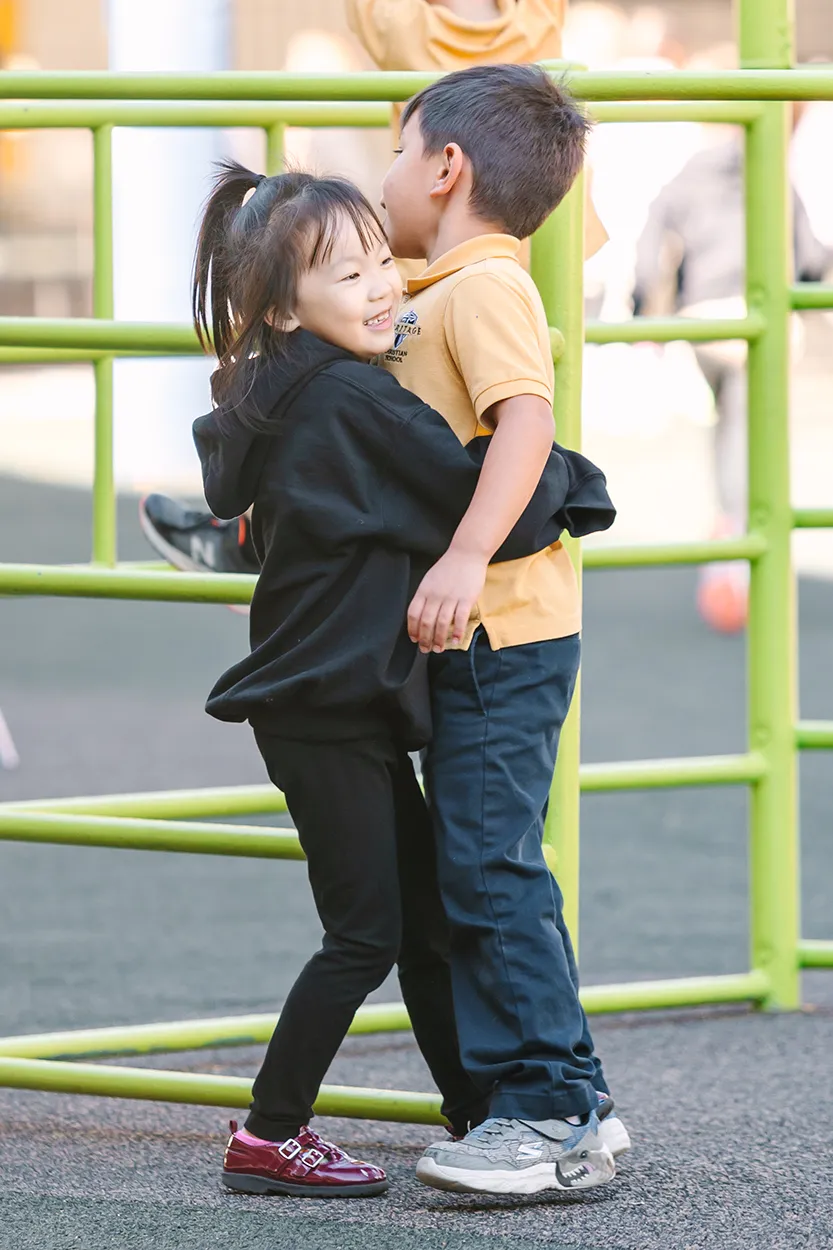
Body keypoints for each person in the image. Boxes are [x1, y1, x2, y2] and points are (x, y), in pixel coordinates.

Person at [193, 158, 617, 1198]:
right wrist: (576, 479)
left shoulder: (280, 386)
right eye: (348, 277)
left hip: (338, 700)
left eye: (383, 256)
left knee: (423, 916)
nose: (385, 286)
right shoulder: (353, 402)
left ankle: (480, 1109)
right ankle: (269, 1131)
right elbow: (490, 499)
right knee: (367, 930)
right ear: (284, 307)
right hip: (328, 707)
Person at [137, 1, 611, 572]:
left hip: (495, 625)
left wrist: (489, 540)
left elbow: (527, 427)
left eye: (399, 152)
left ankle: (266, 537)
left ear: (443, 168)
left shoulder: (419, 34)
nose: (388, 171)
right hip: (464, 256)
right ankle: (268, 534)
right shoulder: (536, 23)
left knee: (348, 387)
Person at [633, 128, 830, 632]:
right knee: (748, 436)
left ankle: (729, 537)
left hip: (703, 319)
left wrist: (648, 305)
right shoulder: (772, 176)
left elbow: (653, 236)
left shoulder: (690, 174)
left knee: (728, 428)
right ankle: (736, 554)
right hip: (756, 315)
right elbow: (808, 255)